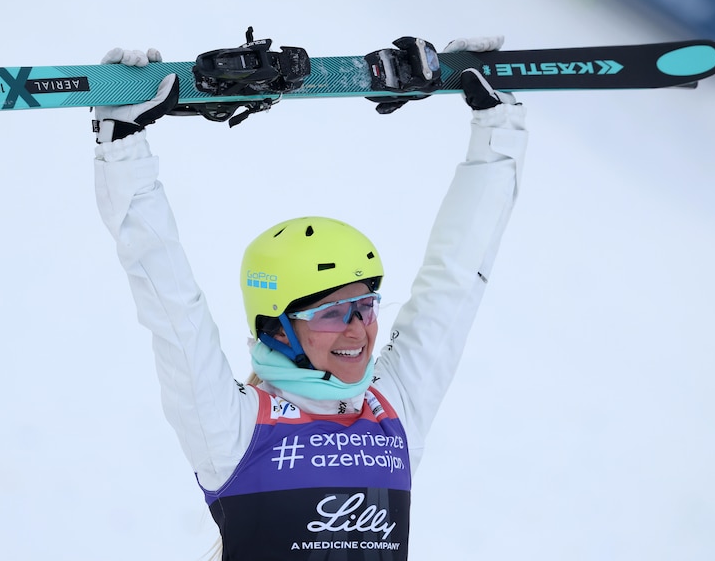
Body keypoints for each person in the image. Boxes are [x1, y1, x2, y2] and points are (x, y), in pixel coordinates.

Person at [92, 36, 527, 560]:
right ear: (277, 327)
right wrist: (121, 148)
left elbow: (456, 280)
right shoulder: (234, 432)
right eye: (330, 313)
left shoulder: (394, 406)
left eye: (366, 307)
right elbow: (172, 308)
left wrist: (497, 131)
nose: (359, 329)